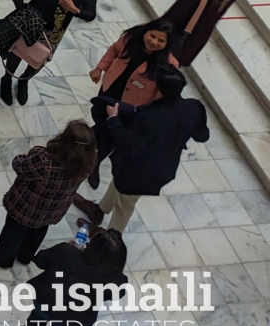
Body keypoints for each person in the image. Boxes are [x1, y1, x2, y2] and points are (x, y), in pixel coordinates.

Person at [74, 66, 208, 233]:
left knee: (124, 205)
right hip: (162, 164)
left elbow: (126, 143)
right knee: (119, 181)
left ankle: (109, 241)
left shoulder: (150, 117)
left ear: (158, 90)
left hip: (142, 171)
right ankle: (99, 210)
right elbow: (202, 136)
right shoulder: (194, 108)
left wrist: (114, 119)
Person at [0, 121, 97, 268]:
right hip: (54, 208)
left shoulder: (45, 160)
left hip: (28, 205)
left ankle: (3, 257)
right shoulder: (88, 164)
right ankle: (25, 256)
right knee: (39, 229)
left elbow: (22, 168)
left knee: (14, 229)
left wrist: (20, 158)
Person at [86, 18, 178, 187]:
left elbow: (163, 92)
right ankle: (87, 147)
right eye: (152, 36)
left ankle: (93, 162)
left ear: (167, 44)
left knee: (112, 135)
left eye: (161, 40)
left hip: (130, 105)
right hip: (110, 89)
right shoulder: (131, 39)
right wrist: (99, 68)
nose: (154, 42)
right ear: (146, 31)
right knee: (101, 121)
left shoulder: (169, 64)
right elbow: (114, 50)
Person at [16, 230, 128, 326]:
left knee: (36, 320)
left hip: (46, 299)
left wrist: (70, 246)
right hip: (75, 317)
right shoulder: (117, 281)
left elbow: (41, 259)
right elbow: (117, 294)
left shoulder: (66, 252)